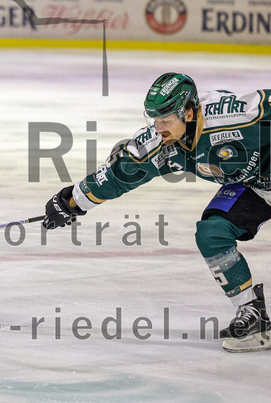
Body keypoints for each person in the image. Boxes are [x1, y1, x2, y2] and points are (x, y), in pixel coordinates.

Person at [43, 73, 271, 352]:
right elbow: (120, 173)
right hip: (254, 186)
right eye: (155, 119)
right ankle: (252, 313)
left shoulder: (235, 116)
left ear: (188, 113)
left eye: (165, 120)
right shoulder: (161, 142)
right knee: (212, 233)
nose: (158, 127)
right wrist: (72, 202)